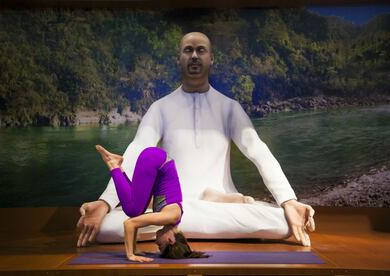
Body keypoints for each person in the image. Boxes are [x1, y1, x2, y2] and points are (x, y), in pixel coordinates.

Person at [77, 32, 315, 249]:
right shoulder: (160, 108)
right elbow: (136, 152)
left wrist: (288, 200)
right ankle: (186, 214)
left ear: (211, 59)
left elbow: (258, 151)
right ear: (178, 59)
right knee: (104, 228)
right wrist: (105, 202)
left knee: (284, 223)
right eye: (187, 50)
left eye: (200, 50)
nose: (194, 56)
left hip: (216, 206)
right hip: (175, 205)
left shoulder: (229, 108)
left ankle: (188, 215)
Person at [95, 145, 254, 261]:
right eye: (160, 246)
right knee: (132, 210)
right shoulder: (170, 216)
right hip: (154, 159)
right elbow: (130, 224)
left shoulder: (172, 218)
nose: (156, 243)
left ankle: (117, 166)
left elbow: (137, 220)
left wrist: (135, 248)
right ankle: (113, 165)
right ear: (171, 240)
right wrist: (130, 254)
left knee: (135, 208)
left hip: (157, 160)